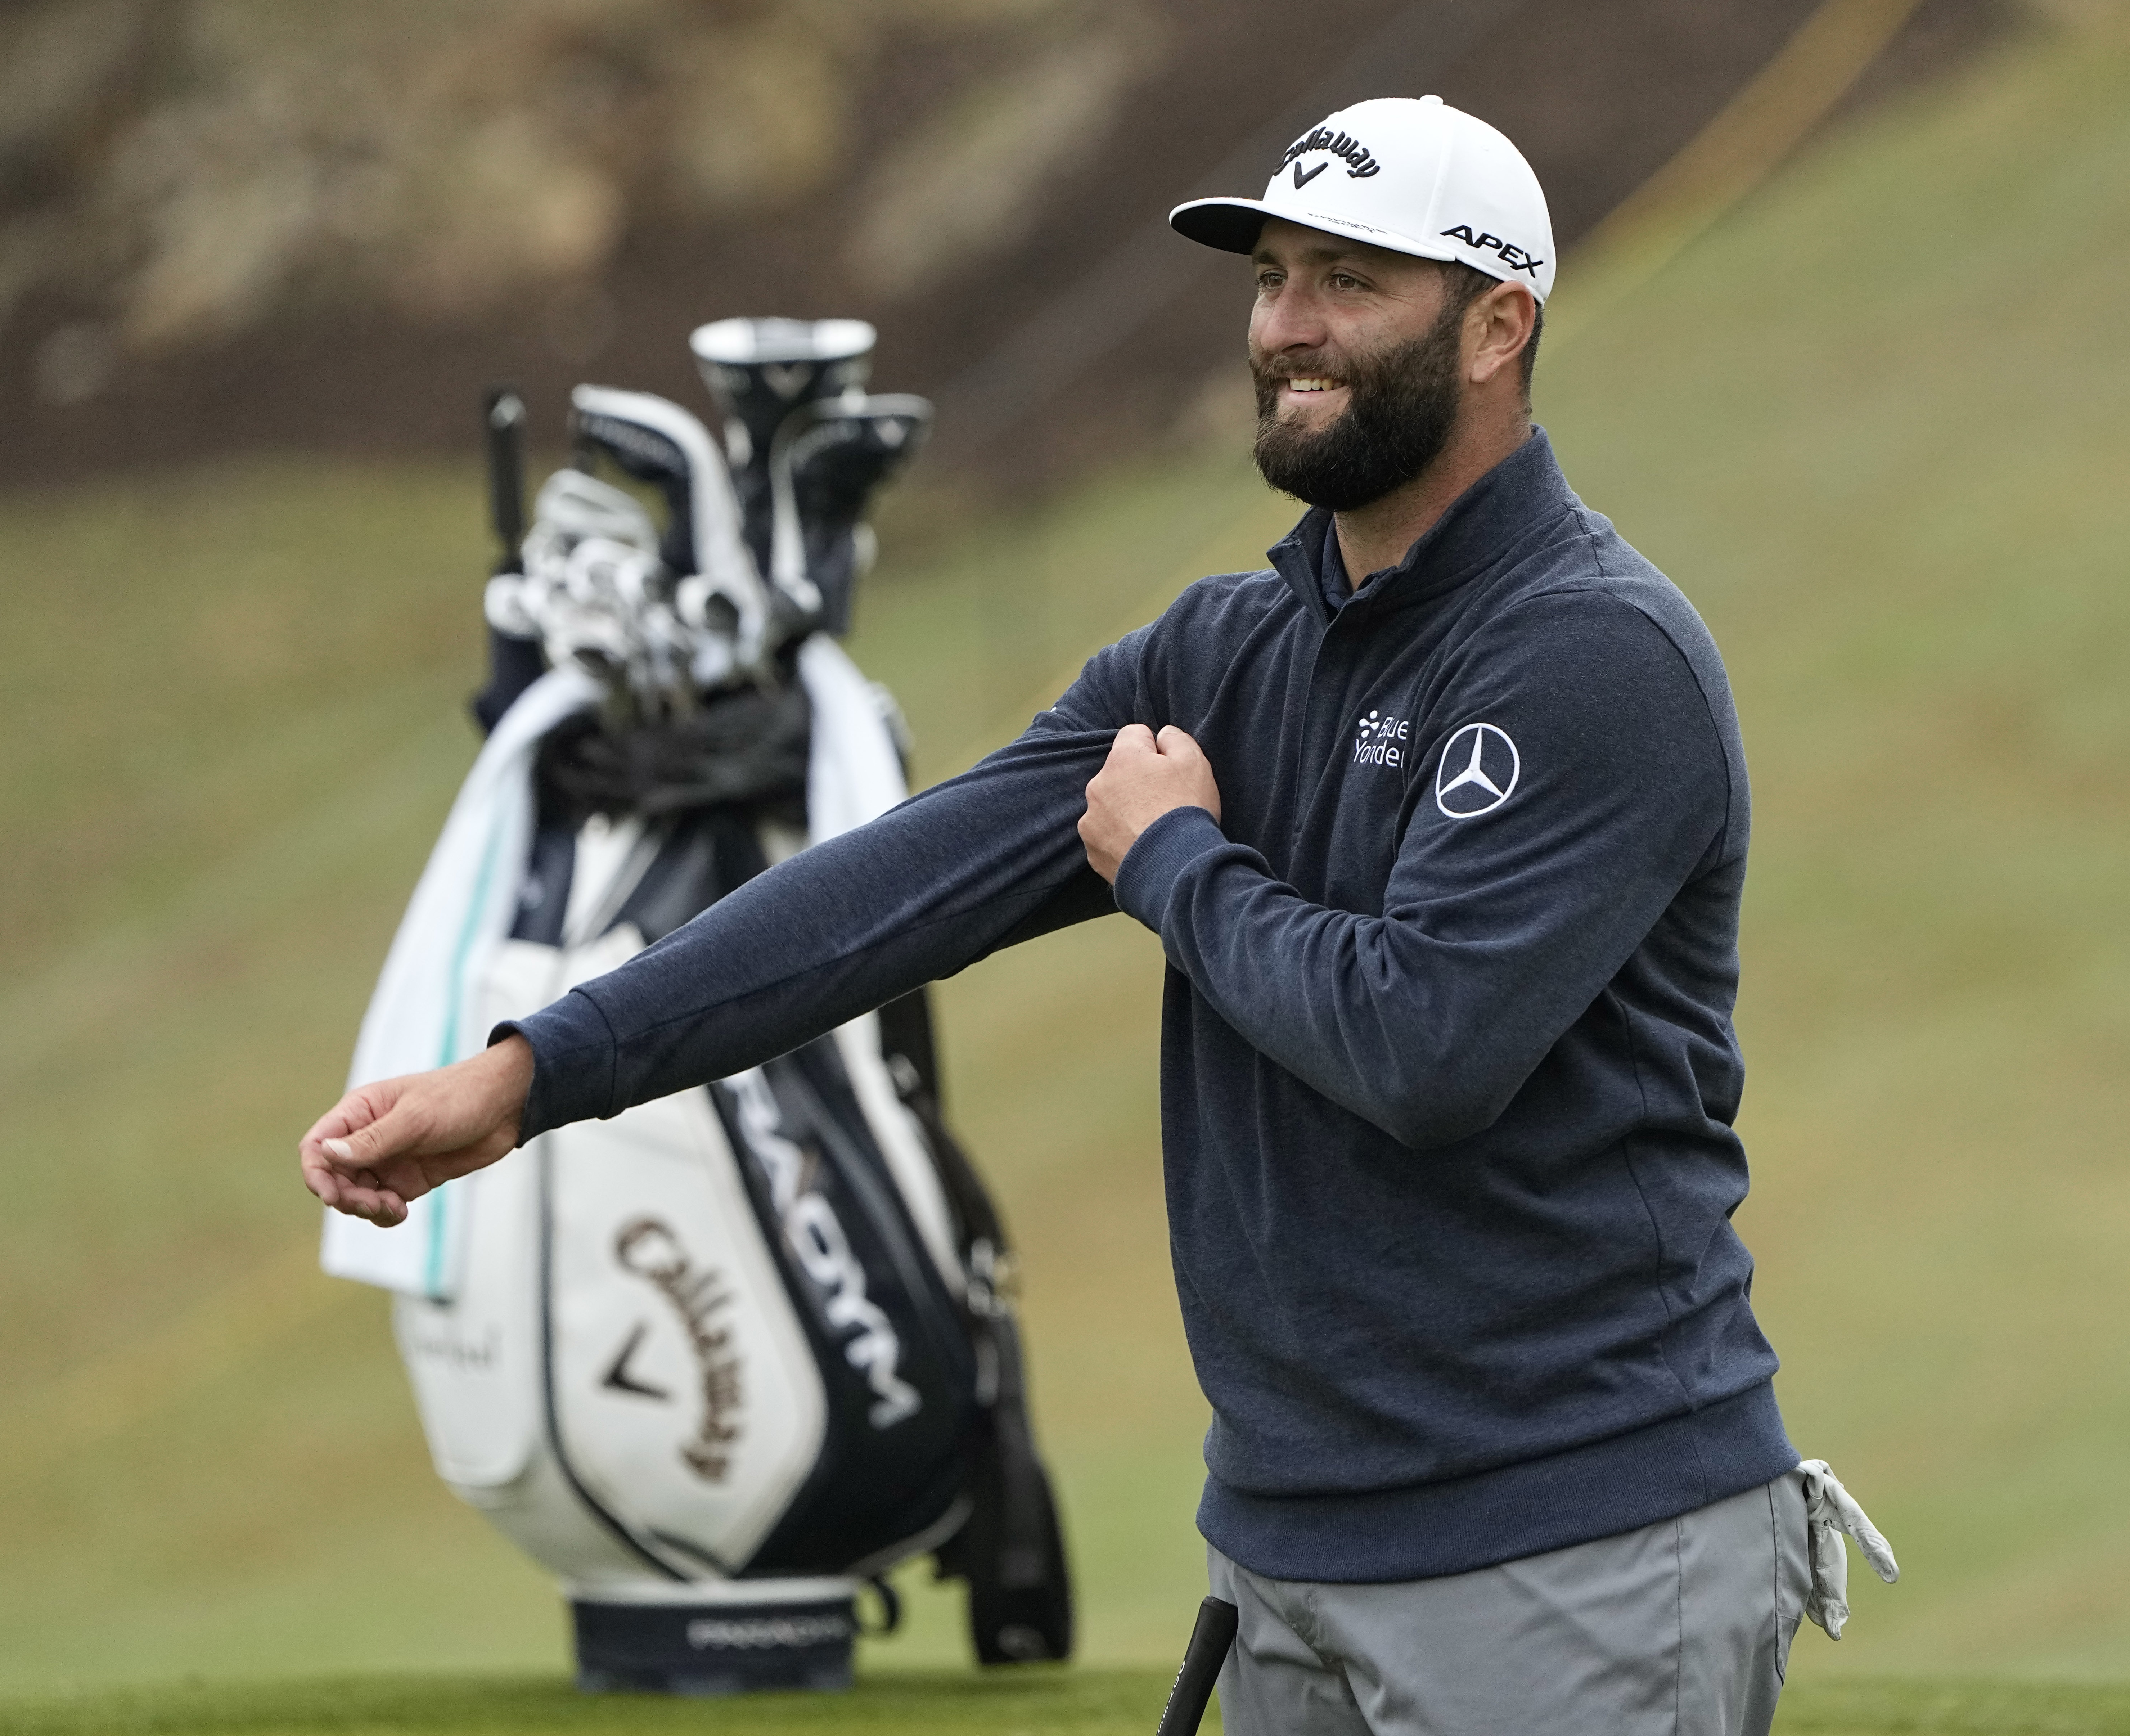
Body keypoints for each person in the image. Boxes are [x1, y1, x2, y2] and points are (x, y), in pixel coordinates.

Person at [307, 95, 1826, 1734]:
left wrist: (1172, 863)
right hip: (1288, 1548)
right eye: (1272, 277)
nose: (1287, 326)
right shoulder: (1222, 652)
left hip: (1577, 1540)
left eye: (1350, 282)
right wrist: (534, 1075)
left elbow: (1424, 1044)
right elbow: (888, 895)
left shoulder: (1594, 653)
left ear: (1496, 325)